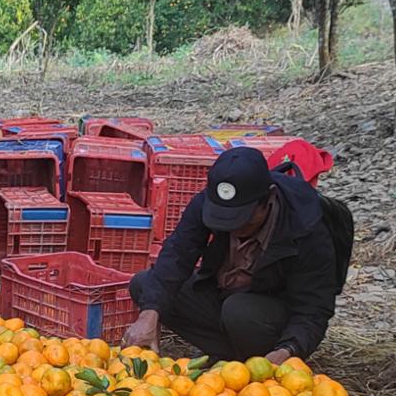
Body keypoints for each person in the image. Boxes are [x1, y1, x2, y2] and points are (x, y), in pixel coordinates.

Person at [123, 146, 338, 365]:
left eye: (243, 219)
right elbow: (178, 253)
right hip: (224, 294)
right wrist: (149, 313)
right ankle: (230, 358)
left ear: (269, 199)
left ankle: (259, 360)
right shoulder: (212, 201)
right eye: (224, 220)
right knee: (146, 286)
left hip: (269, 314)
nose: (234, 228)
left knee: (238, 311)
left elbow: (313, 309)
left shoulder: (307, 227)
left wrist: (289, 349)